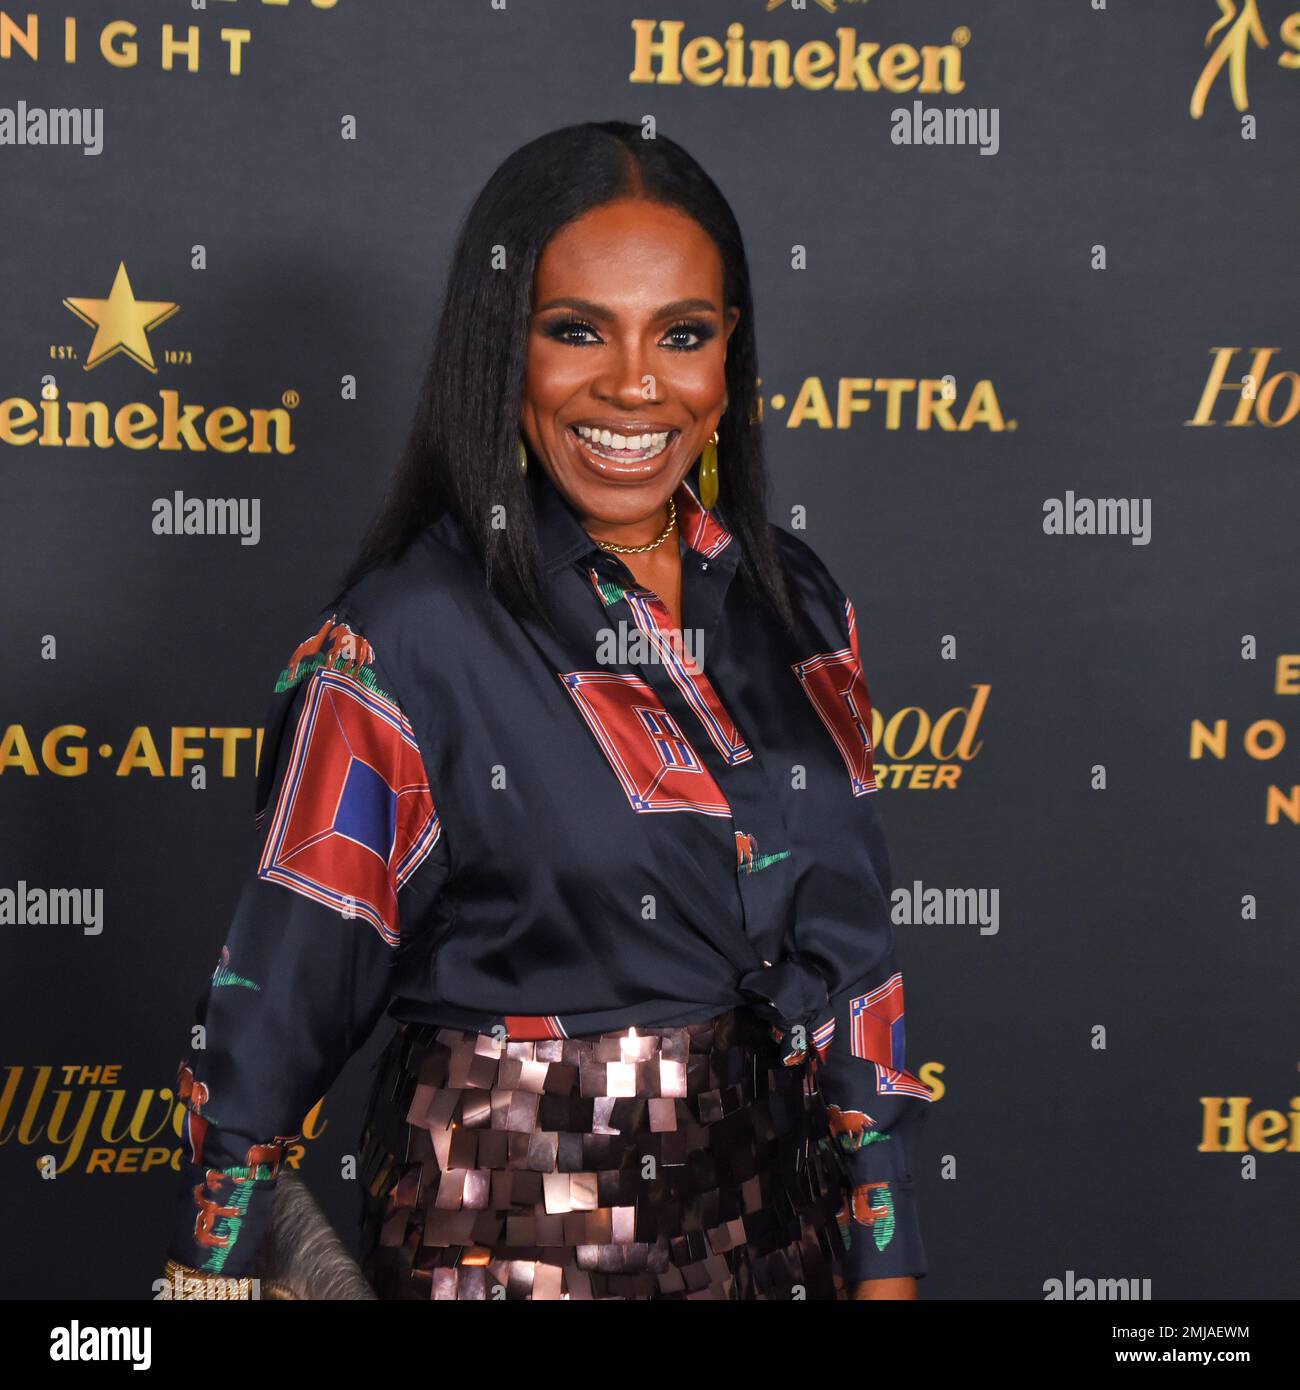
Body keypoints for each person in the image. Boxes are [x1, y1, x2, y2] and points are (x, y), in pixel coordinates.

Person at [161, 119, 934, 1302]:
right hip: (496, 1252)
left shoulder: (796, 601)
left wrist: (883, 1260)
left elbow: (851, 966)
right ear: (500, 350)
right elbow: (270, 1028)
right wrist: (208, 1274)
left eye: (680, 334)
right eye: (577, 330)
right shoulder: (399, 642)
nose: (633, 385)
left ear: (730, 355)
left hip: (784, 1255)